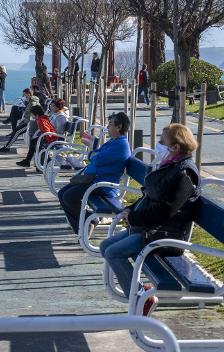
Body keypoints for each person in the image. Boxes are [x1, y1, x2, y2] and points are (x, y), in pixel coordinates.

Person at [99, 123, 201, 316]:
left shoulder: (185, 173)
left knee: (113, 253)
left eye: (163, 141)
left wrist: (135, 217)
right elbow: (150, 197)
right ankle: (140, 294)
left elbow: (167, 211)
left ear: (176, 147)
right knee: (105, 246)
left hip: (164, 234)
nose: (159, 145)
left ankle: (140, 302)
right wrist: (130, 210)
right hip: (150, 228)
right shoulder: (170, 165)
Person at [58, 112, 131, 235]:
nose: (107, 127)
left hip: (103, 185)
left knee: (68, 197)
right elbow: (96, 155)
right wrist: (94, 155)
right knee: (62, 194)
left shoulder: (121, 145)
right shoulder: (114, 142)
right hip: (93, 180)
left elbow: (96, 158)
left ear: (119, 127)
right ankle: (84, 225)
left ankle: (88, 222)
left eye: (110, 124)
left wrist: (94, 155)